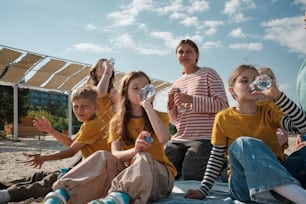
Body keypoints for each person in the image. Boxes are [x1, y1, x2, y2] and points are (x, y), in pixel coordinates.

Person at [45, 71, 177, 204]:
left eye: (146, 88)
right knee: (103, 155)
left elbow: (164, 139)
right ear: (126, 92)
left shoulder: (159, 116)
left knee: (143, 157)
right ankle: (61, 194)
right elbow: (116, 154)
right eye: (136, 88)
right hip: (131, 175)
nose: (141, 91)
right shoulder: (117, 122)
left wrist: (147, 107)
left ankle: (115, 200)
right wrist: (134, 150)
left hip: (159, 177)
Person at [185, 64, 306, 204]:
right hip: (244, 184)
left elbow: (302, 127)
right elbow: (216, 156)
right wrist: (203, 189)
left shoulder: (269, 110)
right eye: (244, 80)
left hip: (279, 173)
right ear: (232, 91)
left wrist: (278, 96)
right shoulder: (223, 117)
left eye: (255, 80)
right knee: (243, 143)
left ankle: (284, 192)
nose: (251, 84)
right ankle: (297, 195)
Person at [0, 86, 111, 204]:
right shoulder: (88, 123)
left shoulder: (94, 125)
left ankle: (6, 195)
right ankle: (4, 187)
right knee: (40, 175)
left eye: (84, 106)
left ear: (96, 107)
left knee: (49, 182)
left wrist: (44, 158)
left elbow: (70, 152)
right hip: (86, 169)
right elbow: (71, 143)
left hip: (92, 174)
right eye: (76, 106)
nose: (79, 110)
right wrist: (50, 130)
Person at [165, 39, 229, 181]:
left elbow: (223, 105)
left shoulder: (208, 73)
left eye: (189, 51)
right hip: (179, 138)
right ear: (176, 56)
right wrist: (170, 106)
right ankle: (196, 162)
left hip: (204, 137)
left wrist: (192, 100)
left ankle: (220, 161)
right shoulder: (177, 82)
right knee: (166, 172)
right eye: (180, 52)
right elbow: (175, 121)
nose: (184, 54)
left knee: (191, 175)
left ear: (197, 55)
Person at [257, 67, 289, 152]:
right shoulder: (251, 106)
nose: (266, 81)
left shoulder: (279, 105)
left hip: (274, 152)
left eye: (270, 77)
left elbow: (283, 133)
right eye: (261, 78)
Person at [87, 58, 117, 122]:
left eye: (107, 66)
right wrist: (107, 72)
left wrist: (116, 102)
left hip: (109, 127)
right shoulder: (89, 88)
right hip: (95, 126)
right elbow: (100, 92)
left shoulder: (112, 91)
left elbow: (117, 113)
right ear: (95, 71)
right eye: (101, 66)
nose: (105, 67)